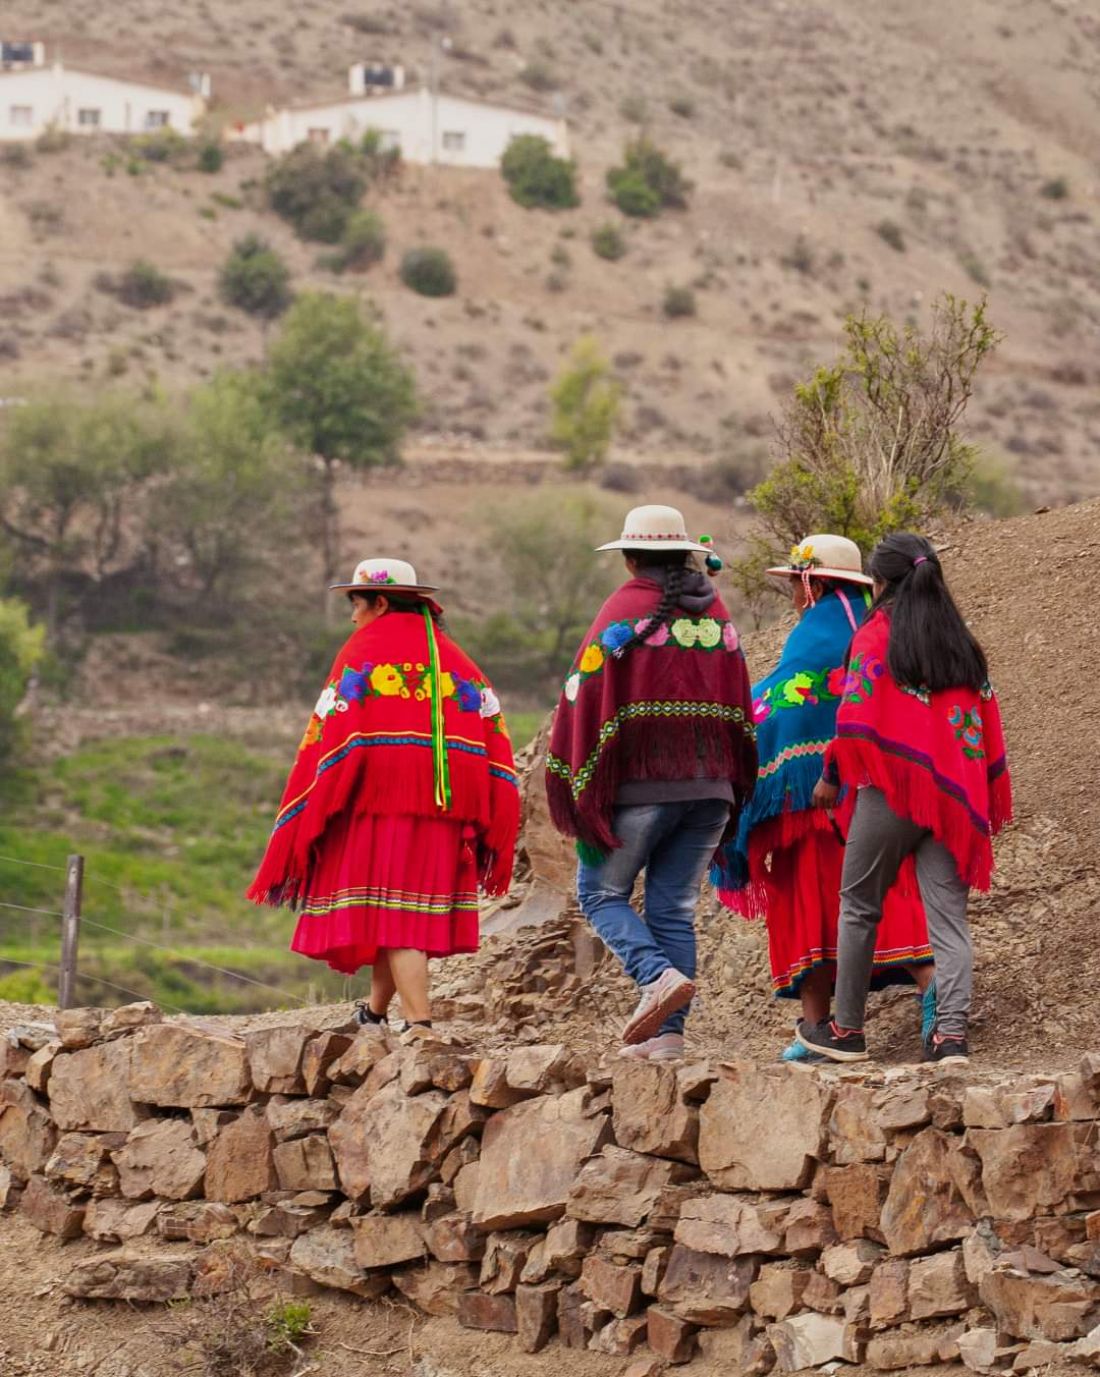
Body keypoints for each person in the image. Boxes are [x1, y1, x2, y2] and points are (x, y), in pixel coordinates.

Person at [248, 558, 520, 1042]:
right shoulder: (456, 659)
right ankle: (374, 1014)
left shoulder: (364, 651)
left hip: (377, 808)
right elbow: (491, 734)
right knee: (395, 910)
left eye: (356, 604)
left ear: (378, 602)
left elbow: (331, 734)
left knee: (400, 920)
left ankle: (421, 1027)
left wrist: (321, 800)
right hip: (446, 811)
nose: (352, 618)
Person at [546, 504, 758, 1063]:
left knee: (601, 893)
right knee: (672, 910)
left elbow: (582, 692)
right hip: (712, 787)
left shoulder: (625, 608)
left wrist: (580, 773)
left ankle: (655, 976)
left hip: (641, 790)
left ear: (631, 557)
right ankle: (668, 1040)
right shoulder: (716, 613)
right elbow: (739, 694)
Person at [713, 535, 935, 1061]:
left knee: (803, 898)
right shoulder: (880, 625)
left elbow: (784, 706)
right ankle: (934, 992)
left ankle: (819, 1027)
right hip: (884, 792)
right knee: (889, 893)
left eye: (795, 582)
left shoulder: (818, 633)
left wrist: (741, 744)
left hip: (815, 803)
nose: (792, 592)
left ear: (812, 583)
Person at [797, 532, 1012, 1065]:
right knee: (949, 919)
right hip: (952, 798)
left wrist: (830, 776)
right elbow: (983, 722)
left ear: (882, 581)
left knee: (859, 905)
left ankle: (846, 1032)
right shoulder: (962, 644)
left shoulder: (876, 634)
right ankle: (951, 1038)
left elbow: (855, 714)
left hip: (890, 792)